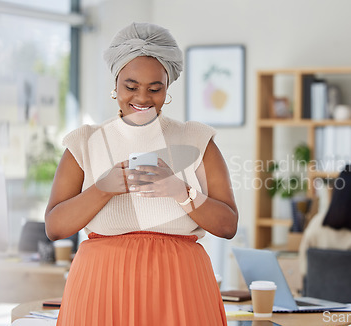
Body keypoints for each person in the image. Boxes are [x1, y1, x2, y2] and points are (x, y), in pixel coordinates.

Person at [45, 22, 238, 326]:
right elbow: (55, 227)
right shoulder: (84, 141)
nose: (142, 98)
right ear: (116, 84)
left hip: (181, 289)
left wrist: (180, 192)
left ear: (168, 87)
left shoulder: (196, 138)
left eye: (155, 88)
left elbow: (228, 225)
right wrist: (104, 188)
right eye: (131, 87)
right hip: (101, 288)